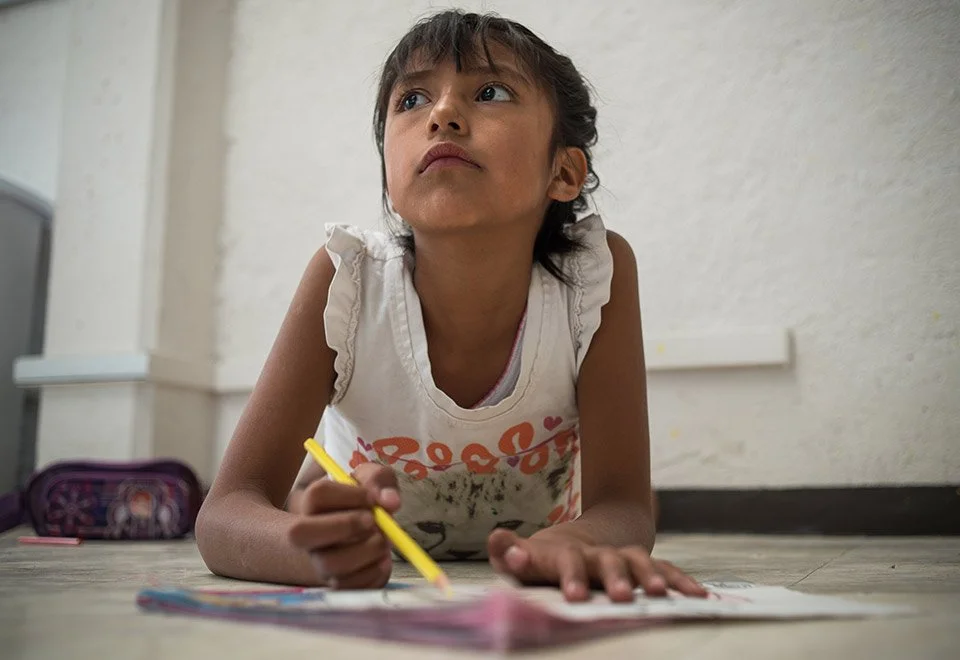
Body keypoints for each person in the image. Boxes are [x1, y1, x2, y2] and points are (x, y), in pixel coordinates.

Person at [196, 9, 706, 603]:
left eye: (490, 91)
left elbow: (623, 504)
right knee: (319, 494)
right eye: (411, 100)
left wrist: (585, 540)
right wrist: (303, 547)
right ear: (388, 172)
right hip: (360, 518)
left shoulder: (592, 278)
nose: (441, 114)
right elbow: (226, 512)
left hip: (548, 519)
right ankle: (318, 501)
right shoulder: (348, 281)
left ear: (563, 171)